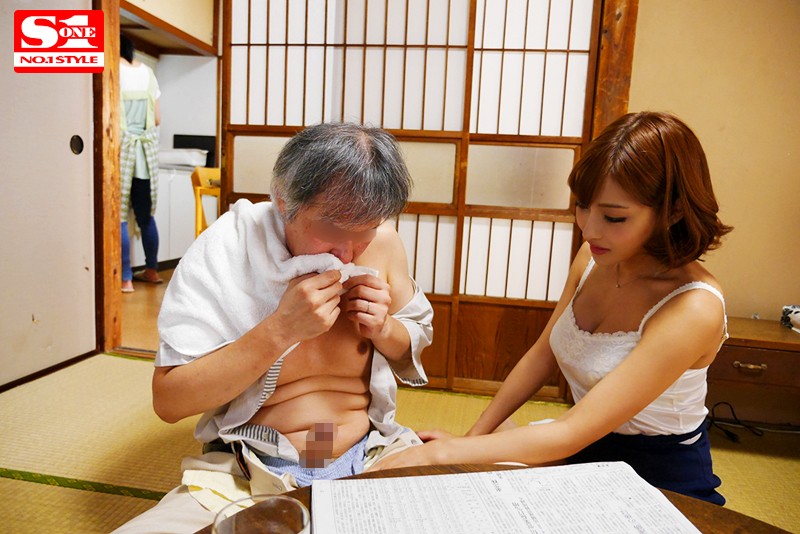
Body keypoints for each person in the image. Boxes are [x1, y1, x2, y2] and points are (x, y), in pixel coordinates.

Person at [372, 111, 732, 506]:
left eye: (614, 217)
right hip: (578, 452)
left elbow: (571, 431)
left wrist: (443, 454)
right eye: (583, 206)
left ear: (673, 211)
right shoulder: (593, 258)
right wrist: (471, 440)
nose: (589, 229)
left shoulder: (694, 306)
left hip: (657, 475)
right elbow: (542, 355)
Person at [113, 123, 433, 533]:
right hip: (248, 472)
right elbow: (169, 400)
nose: (346, 252)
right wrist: (281, 330)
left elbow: (414, 346)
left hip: (371, 456)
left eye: (364, 233)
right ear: (283, 199)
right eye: (331, 229)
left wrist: (384, 328)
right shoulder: (227, 248)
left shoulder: (385, 243)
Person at [120, 34, 162, 293]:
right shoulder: (148, 73)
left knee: (119, 217)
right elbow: (156, 119)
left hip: (120, 154)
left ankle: (125, 278)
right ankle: (152, 270)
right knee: (146, 217)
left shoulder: (111, 70)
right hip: (144, 158)